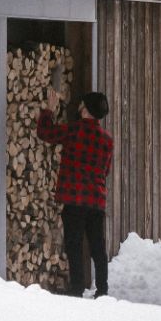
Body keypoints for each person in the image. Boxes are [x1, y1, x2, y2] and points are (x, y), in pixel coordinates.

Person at [37, 86, 113, 298]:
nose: (79, 106)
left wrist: (49, 110)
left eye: (81, 104)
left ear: (85, 109)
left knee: (74, 244)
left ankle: (77, 288)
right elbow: (105, 170)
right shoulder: (107, 139)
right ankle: (103, 290)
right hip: (96, 201)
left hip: (74, 199)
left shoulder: (74, 130)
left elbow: (46, 133)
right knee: (98, 247)